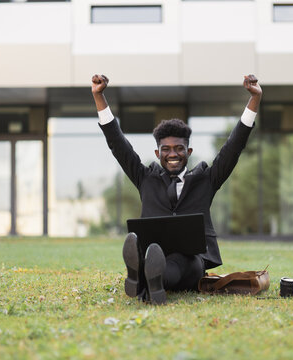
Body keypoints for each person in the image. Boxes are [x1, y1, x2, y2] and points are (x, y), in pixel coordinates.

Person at [91, 74, 262, 304]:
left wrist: (254, 99)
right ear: (157, 153)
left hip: (192, 263)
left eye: (179, 148)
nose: (173, 154)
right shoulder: (145, 178)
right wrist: (98, 95)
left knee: (184, 260)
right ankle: (147, 275)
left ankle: (144, 278)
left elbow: (234, 146)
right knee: (154, 253)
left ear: (188, 152)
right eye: (166, 149)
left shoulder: (207, 180)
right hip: (154, 249)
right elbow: (117, 143)